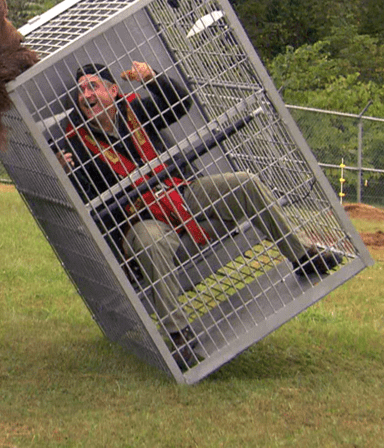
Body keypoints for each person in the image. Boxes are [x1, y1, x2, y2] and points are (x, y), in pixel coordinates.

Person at [55, 62, 342, 368]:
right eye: (81, 89)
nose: (85, 95)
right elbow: (88, 200)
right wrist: (66, 171)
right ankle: (179, 337)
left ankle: (302, 257)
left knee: (244, 184)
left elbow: (179, 105)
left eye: (93, 86)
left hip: (180, 191)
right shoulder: (74, 140)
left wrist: (151, 78)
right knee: (151, 242)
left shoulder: (134, 109)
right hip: (138, 219)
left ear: (113, 90)